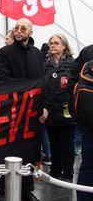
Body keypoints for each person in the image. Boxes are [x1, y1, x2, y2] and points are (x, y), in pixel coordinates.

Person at [0, 18, 46, 201]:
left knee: (31, 151)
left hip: (32, 112)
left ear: (30, 32)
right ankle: (5, 190)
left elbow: (41, 82)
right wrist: (25, 88)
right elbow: (2, 79)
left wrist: (44, 106)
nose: (18, 30)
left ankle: (27, 190)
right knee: (9, 152)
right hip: (12, 112)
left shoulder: (38, 54)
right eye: (16, 27)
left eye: (23, 28)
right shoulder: (4, 53)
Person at [42, 33, 75, 182]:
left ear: (64, 46)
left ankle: (67, 174)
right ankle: (55, 172)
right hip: (50, 110)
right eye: (51, 43)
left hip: (66, 111)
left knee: (67, 145)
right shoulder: (45, 65)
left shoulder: (72, 64)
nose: (52, 46)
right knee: (53, 143)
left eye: (56, 43)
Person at [68, 43, 93, 201]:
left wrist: (75, 108)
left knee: (88, 164)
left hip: (87, 119)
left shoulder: (88, 51)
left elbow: (71, 79)